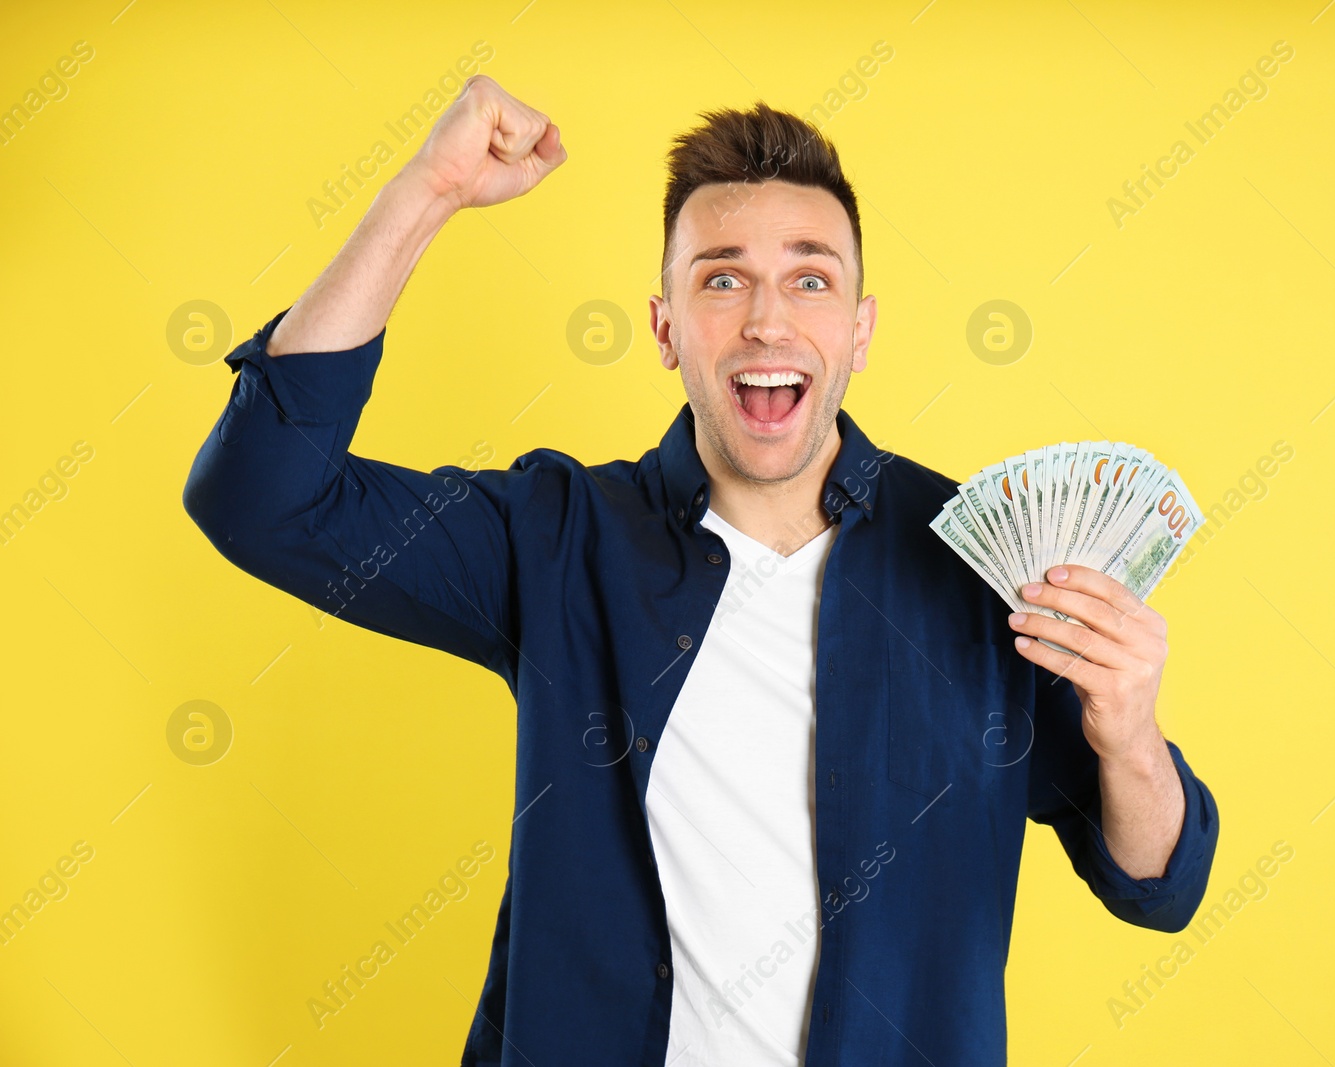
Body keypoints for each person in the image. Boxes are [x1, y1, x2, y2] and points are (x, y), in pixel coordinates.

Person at [183, 76, 1218, 1067]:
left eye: (809, 278)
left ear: (858, 331)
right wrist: (428, 191)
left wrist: (1128, 734)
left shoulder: (976, 558)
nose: (767, 320)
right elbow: (262, 497)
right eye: (722, 279)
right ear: (667, 327)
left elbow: (1155, 883)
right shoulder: (557, 537)